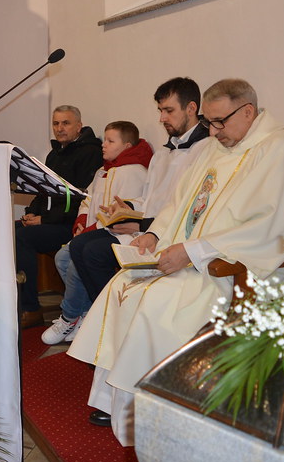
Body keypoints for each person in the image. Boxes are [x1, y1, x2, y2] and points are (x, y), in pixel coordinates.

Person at [68, 79, 284, 445]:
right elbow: (181, 202)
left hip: (239, 270)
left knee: (157, 301)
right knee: (124, 284)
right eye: (209, 122)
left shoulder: (282, 152)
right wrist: (156, 234)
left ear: (248, 111)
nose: (213, 132)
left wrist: (193, 252)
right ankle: (118, 401)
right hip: (194, 257)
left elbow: (276, 228)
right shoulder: (218, 147)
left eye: (219, 122)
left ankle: (152, 413)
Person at [55, 77, 211, 349]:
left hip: (168, 235)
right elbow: (150, 197)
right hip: (146, 226)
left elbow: (189, 208)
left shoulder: (205, 150)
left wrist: (142, 225)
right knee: (79, 246)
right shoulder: (163, 153)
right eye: (160, 110)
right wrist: (128, 207)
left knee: (93, 253)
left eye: (168, 110)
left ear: (191, 108)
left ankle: (118, 322)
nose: (162, 118)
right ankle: (107, 318)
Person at [42, 121, 152, 345]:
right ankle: (85, 313)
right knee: (62, 257)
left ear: (127, 145)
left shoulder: (134, 172)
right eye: (105, 139)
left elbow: (127, 212)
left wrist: (90, 230)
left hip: (121, 235)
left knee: (75, 261)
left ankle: (70, 316)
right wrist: (82, 222)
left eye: (111, 141)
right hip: (95, 230)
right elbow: (88, 199)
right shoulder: (104, 170)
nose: (104, 144)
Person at [15, 105, 102, 328]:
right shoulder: (54, 154)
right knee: (11, 230)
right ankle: (15, 299)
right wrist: (31, 212)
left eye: (66, 123)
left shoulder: (90, 153)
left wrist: (44, 220)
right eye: (56, 123)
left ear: (79, 126)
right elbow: (43, 190)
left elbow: (80, 198)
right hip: (51, 221)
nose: (59, 128)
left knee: (22, 238)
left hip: (71, 225)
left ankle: (31, 308)